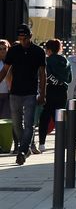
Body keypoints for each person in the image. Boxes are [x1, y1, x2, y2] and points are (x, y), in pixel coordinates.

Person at [0, 24, 46, 165]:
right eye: (20, 38)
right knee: (16, 124)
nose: (22, 41)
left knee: (29, 124)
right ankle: (24, 148)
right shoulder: (14, 50)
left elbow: (42, 74)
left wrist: (43, 94)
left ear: (30, 36)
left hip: (31, 93)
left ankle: (22, 151)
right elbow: (5, 70)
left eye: (24, 38)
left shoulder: (38, 51)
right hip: (15, 92)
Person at [38, 39, 72, 153]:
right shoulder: (66, 61)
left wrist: (54, 81)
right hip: (62, 92)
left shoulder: (48, 61)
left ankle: (42, 143)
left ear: (48, 50)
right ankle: (63, 141)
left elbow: (46, 75)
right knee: (61, 117)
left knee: (45, 117)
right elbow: (70, 79)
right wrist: (61, 82)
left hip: (50, 90)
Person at [0, 39, 10, 119]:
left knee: (6, 120)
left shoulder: (12, 62)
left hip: (9, 95)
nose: (3, 50)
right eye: (0, 49)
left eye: (4, 48)